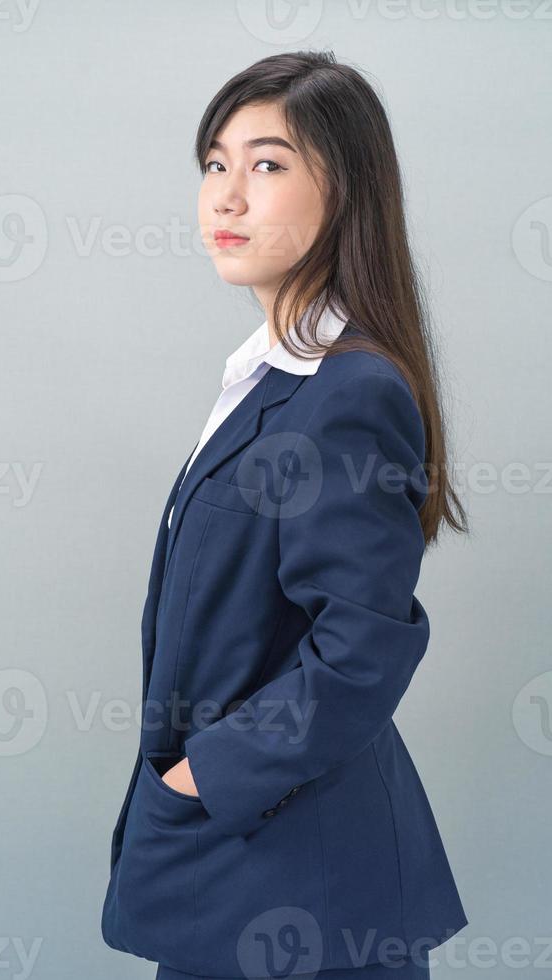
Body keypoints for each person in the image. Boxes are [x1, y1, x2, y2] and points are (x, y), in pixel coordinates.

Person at [101, 50, 469, 980]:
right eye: (214, 164)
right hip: (244, 871)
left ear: (344, 191)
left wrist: (205, 775)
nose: (225, 197)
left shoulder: (347, 392)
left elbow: (361, 649)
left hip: (300, 886)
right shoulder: (266, 377)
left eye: (266, 165)